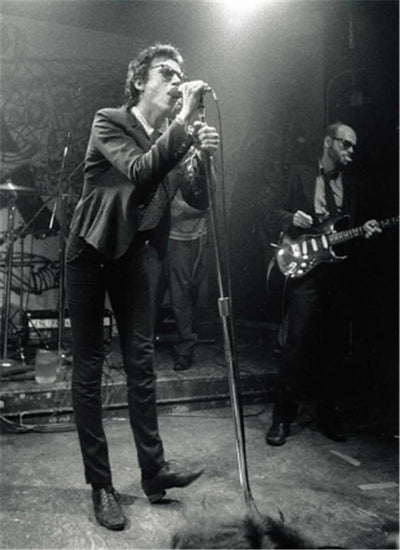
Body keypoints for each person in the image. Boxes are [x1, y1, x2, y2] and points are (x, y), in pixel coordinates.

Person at [65, 43, 219, 530]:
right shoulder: (108, 121)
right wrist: (182, 129)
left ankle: (154, 473)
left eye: (182, 74)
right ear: (139, 82)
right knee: (89, 368)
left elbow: (197, 199)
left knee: (143, 361)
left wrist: (203, 157)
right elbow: (138, 170)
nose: (178, 81)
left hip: (137, 255)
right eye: (167, 73)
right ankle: (101, 485)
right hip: (90, 251)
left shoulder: (179, 136)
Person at [266, 122, 382, 447]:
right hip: (306, 273)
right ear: (328, 142)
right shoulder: (300, 174)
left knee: (333, 349)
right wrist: (291, 218)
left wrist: (366, 232)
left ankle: (328, 416)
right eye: (345, 144)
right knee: (296, 344)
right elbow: (268, 212)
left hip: (338, 277)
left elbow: (353, 230)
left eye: (354, 147)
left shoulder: (354, 185)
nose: (350, 152)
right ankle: (281, 420)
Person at [164, 179, 209, 371]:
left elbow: (210, 200)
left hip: (201, 235)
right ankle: (185, 349)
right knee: (179, 293)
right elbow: (174, 206)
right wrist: (200, 209)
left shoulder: (201, 160)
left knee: (198, 293)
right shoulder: (170, 165)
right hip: (176, 238)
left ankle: (187, 342)